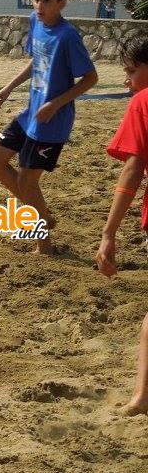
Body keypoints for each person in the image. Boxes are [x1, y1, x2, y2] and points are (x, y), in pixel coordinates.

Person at [0, 0, 98, 255]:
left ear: (62, 2)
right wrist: (7, 88)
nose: (39, 6)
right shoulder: (35, 22)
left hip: (52, 121)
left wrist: (55, 104)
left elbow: (90, 79)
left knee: (26, 180)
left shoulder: (68, 36)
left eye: (46, 0)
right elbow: (37, 61)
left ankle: (44, 244)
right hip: (31, 113)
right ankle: (42, 215)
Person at [95, 31, 148, 416]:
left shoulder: (143, 104)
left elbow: (132, 171)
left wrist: (109, 232)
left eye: (131, 71)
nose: (126, 81)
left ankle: (142, 399)